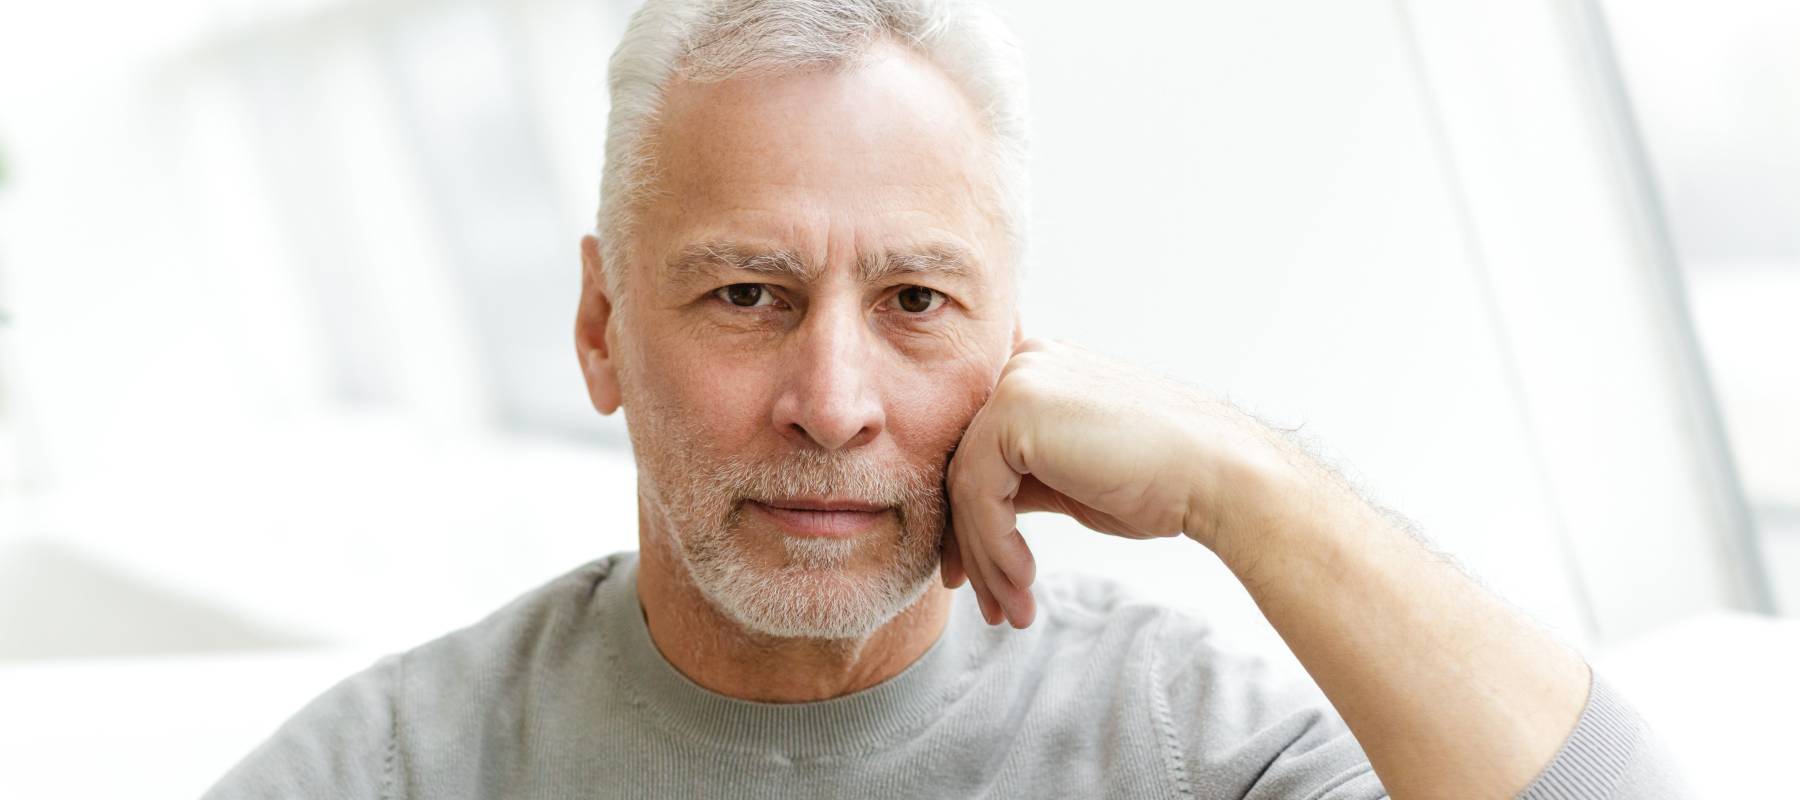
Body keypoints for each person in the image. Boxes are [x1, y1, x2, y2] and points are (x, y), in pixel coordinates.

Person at [205, 1, 1695, 797]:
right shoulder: (398, 769)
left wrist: (1242, 481)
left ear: (1015, 344)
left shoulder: (1182, 745)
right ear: (601, 329)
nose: (833, 401)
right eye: (748, 295)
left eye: (915, 301)